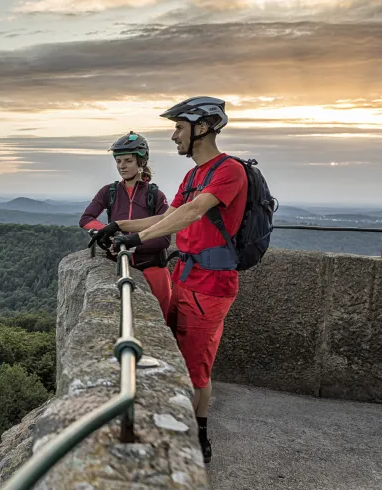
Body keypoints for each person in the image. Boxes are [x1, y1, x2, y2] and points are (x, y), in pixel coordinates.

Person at [89, 97, 247, 465]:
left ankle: (198, 433)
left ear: (202, 128)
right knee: (172, 348)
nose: (173, 135)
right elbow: (168, 216)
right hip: (184, 275)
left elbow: (192, 212)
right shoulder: (192, 175)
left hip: (211, 285)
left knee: (196, 364)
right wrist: (120, 227)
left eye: (179, 127)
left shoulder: (229, 170)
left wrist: (137, 239)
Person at [79, 131, 173, 321]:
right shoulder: (109, 191)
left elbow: (164, 236)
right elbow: (86, 218)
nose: (122, 166)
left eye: (128, 161)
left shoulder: (155, 195)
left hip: (153, 268)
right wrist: (107, 231)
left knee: (161, 322)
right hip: (118, 265)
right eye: (118, 161)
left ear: (141, 162)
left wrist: (132, 244)